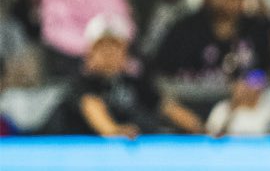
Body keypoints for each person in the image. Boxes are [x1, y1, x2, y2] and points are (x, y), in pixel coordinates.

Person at [43, 14, 204, 137]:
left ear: (125, 53)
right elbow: (93, 108)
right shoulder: (80, 83)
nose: (109, 54)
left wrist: (203, 130)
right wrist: (114, 131)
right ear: (90, 53)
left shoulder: (135, 82)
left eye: (115, 47)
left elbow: (167, 107)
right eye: (102, 47)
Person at [150, 0, 270, 87]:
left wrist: (252, 84)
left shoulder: (257, 30)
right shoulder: (184, 30)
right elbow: (161, 77)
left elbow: (268, 73)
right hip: (190, 103)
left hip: (244, 105)